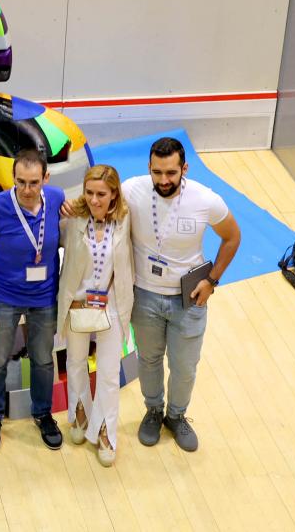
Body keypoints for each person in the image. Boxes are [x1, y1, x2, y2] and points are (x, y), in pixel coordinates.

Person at [63, 137, 240, 452]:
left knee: (185, 366)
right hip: (144, 295)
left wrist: (212, 280)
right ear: (149, 168)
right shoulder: (133, 189)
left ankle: (177, 416)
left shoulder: (206, 200)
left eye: (171, 172)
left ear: (184, 168)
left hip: (188, 299)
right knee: (149, 360)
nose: (164, 180)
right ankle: (153, 410)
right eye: (157, 172)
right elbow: (97, 197)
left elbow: (232, 237)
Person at [0, 149, 65, 453]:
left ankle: (42, 413)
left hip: (44, 298)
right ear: (12, 179)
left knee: (42, 359)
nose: (27, 190)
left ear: (46, 179)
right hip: (4, 296)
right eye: (20, 182)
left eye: (34, 183)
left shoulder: (57, 199)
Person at [57, 165, 133, 466]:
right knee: (75, 362)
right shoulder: (73, 217)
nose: (94, 199)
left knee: (109, 371)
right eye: (89, 192)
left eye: (101, 194)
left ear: (114, 194)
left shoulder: (126, 219)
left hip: (111, 305)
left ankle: (105, 430)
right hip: (77, 303)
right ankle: (78, 414)